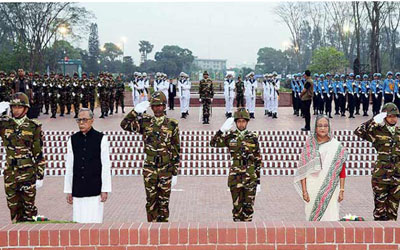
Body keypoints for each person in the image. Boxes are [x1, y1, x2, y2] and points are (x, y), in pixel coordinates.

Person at [120, 91, 180, 222]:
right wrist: (135, 112)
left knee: (164, 201)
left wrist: (175, 172)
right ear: (151, 107)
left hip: (166, 168)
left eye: (160, 105)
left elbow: (176, 149)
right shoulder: (145, 122)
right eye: (154, 106)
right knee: (151, 200)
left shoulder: (172, 124)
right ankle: (152, 229)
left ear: (164, 106)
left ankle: (163, 229)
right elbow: (124, 125)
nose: (157, 108)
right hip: (150, 168)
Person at [0, 93, 46, 222]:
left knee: (29, 210)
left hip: (27, 173)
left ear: (25, 109)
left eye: (19, 107)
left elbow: (38, 153)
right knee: (13, 208)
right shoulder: (4, 124)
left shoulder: (33, 126)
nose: (16, 110)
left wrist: (40, 174)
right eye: (13, 107)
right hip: (11, 173)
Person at [210, 108, 261, 221]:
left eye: (243, 121)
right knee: (237, 208)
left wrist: (258, 180)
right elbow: (213, 143)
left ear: (247, 122)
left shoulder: (253, 137)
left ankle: (247, 236)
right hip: (236, 176)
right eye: (238, 121)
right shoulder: (230, 137)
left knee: (248, 208)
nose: (241, 124)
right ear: (236, 122)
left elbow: (258, 159)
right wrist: (221, 130)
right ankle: (238, 236)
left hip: (250, 176)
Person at [294, 115, 348, 221]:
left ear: (329, 128)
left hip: (331, 189)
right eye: (319, 126)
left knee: (331, 218)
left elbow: (342, 170)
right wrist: (304, 191)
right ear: (315, 128)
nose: (323, 128)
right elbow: (303, 171)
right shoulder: (309, 146)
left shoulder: (336, 146)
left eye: (325, 126)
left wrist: (342, 190)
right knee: (312, 219)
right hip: (312, 187)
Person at [64, 108, 111, 223]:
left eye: (84, 120)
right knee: (78, 221)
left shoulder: (101, 139)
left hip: (95, 187)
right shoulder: (72, 140)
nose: (81, 123)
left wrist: (105, 189)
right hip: (78, 187)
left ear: (92, 120)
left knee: (94, 221)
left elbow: (105, 165)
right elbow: (69, 166)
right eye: (79, 120)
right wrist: (68, 190)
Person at [354, 102, 400, 221]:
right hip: (381, 177)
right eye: (390, 116)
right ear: (384, 117)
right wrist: (373, 120)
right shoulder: (377, 130)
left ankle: (391, 239)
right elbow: (358, 131)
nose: (393, 118)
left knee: (393, 213)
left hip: (397, 177)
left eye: (395, 116)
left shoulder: (399, 132)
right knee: (379, 212)